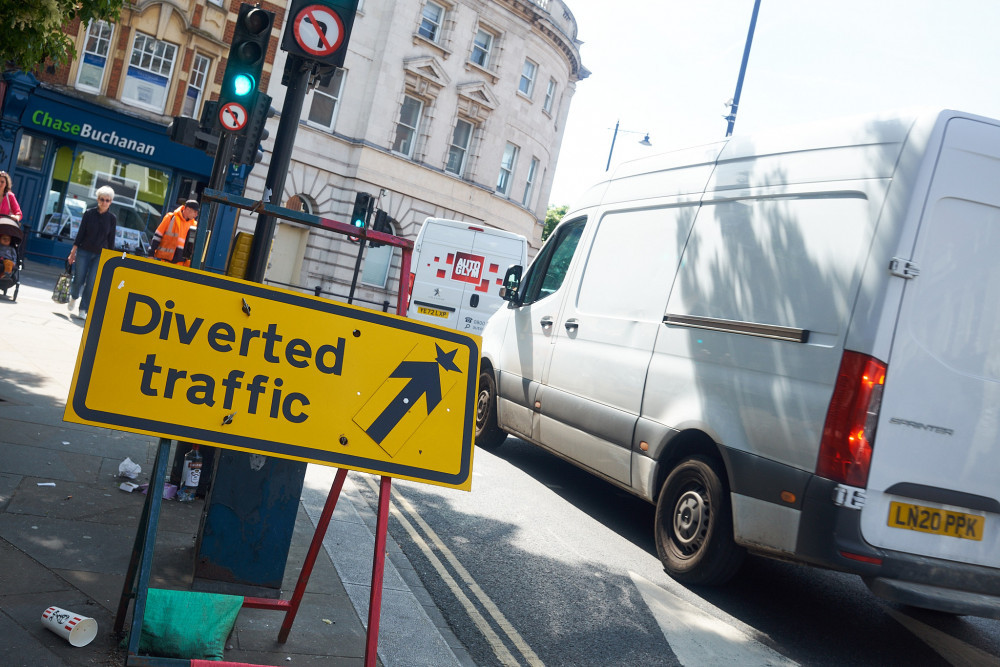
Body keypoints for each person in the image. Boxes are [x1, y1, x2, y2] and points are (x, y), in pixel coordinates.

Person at [67, 186, 117, 319]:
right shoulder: (89, 214)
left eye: (107, 200)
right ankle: (74, 296)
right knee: (79, 278)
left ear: (111, 202)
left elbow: (111, 239)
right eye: (102, 199)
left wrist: (110, 258)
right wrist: (73, 252)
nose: (104, 202)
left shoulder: (112, 219)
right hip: (84, 251)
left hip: (100, 254)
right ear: (98, 199)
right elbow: (81, 233)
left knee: (92, 282)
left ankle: (83, 309)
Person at [150, 199, 199, 265]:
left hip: (183, 264)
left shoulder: (194, 225)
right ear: (187, 209)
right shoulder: (170, 218)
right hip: (167, 261)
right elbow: (157, 236)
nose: (196, 215)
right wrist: (151, 254)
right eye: (195, 212)